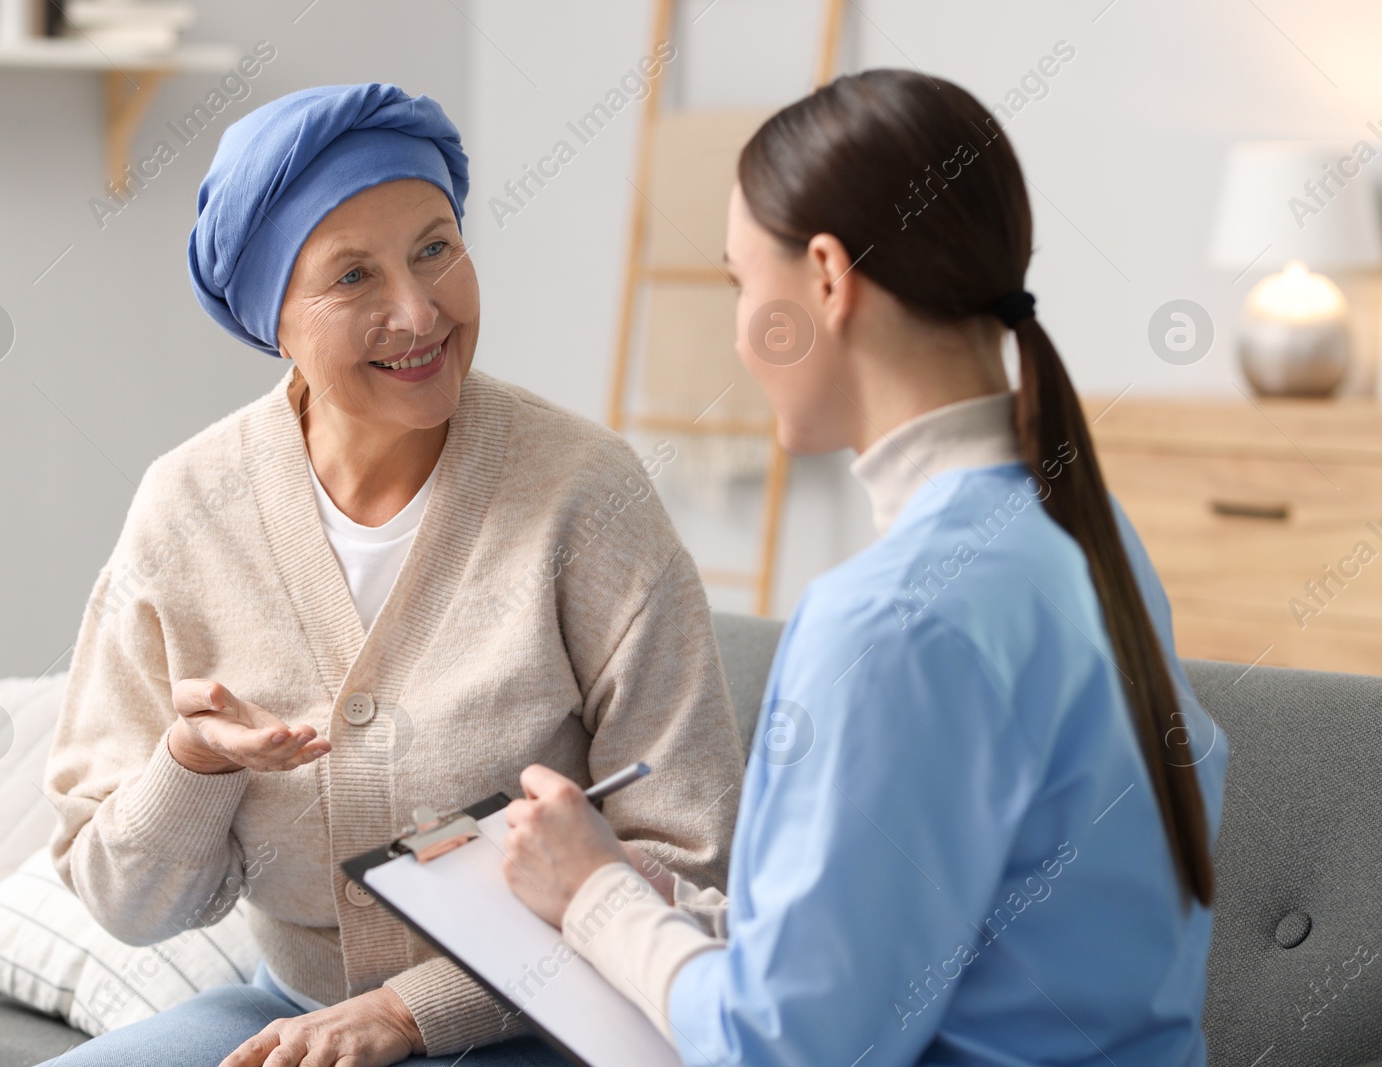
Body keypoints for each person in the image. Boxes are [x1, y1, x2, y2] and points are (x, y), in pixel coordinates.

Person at [501, 69, 1228, 1066]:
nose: (737, 334)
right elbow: (959, 932)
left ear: (828, 280)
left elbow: (785, 1048)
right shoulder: (1089, 534)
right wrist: (672, 904)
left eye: (738, 282)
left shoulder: (890, 620)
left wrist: (590, 894)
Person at [38, 83, 741, 1067]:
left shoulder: (588, 493)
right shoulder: (185, 506)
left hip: (550, 1018)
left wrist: (412, 1010)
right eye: (353, 276)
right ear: (270, 317)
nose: (418, 311)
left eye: (434, 248)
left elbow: (686, 860)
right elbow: (125, 900)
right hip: (289, 1012)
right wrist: (192, 765)